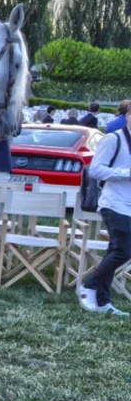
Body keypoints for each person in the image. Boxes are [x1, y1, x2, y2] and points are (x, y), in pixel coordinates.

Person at [77, 124, 131, 316]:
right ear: (128, 116)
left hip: (129, 205)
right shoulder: (113, 139)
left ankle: (102, 302)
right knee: (124, 250)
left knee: (115, 250)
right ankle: (88, 285)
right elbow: (96, 170)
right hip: (114, 204)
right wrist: (127, 173)